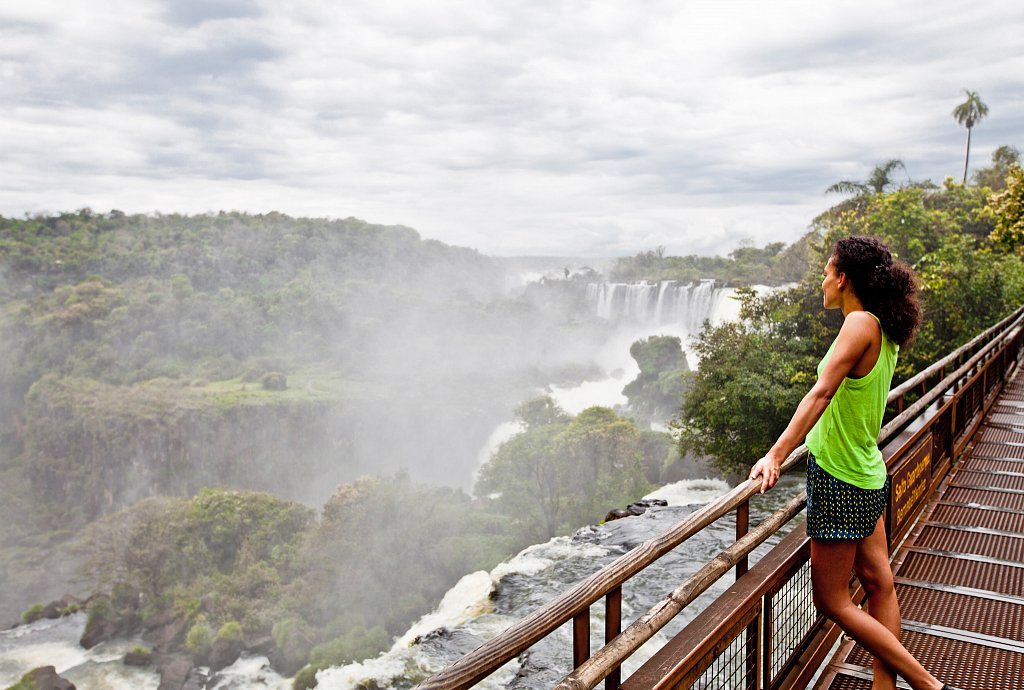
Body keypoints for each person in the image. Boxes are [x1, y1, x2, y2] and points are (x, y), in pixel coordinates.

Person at [748, 236, 960, 690]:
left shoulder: (859, 323)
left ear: (842, 278)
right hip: (868, 473)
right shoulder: (883, 329)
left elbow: (821, 393)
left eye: (826, 271)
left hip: (841, 477)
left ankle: (928, 684)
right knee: (879, 582)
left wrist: (775, 454)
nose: (822, 280)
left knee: (833, 601)